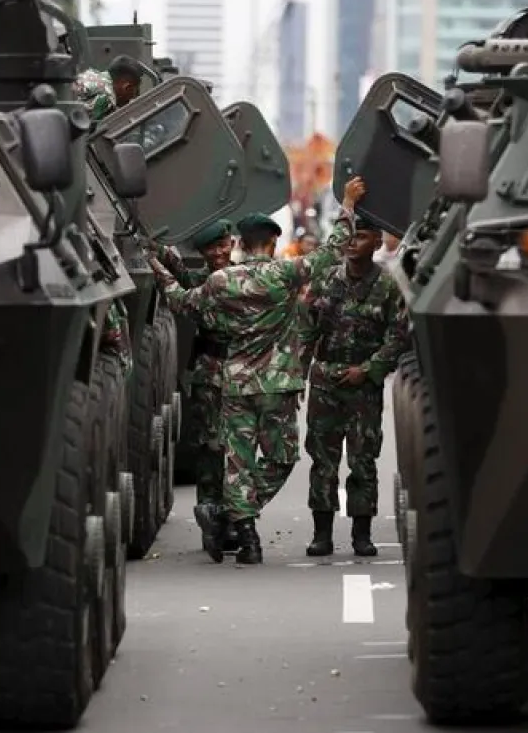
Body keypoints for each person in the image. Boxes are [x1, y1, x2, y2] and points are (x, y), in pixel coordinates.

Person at [149, 178, 368, 565]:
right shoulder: (284, 275)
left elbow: (182, 302)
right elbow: (333, 253)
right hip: (276, 385)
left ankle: (245, 537)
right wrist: (348, 205)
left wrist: (158, 266)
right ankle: (235, 519)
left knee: (237, 464)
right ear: (270, 244)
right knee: (281, 459)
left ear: (240, 243)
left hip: (234, 385)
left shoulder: (220, 281)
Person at [299, 214, 411, 557]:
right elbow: (307, 328)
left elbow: (398, 335)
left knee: (363, 459)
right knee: (322, 459)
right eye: (350, 236)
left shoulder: (388, 286)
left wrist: (368, 369)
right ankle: (322, 533)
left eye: (361, 237)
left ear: (376, 242)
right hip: (326, 382)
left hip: (363, 386)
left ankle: (362, 534)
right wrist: (297, 374)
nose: (352, 242)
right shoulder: (327, 279)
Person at [150, 219, 236, 555]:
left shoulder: (244, 277)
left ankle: (235, 518)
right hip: (208, 372)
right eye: (210, 249)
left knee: (237, 450)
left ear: (232, 243)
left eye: (222, 245)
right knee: (209, 448)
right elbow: (178, 277)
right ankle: (212, 519)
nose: (218, 253)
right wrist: (156, 252)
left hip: (243, 374)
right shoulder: (202, 281)